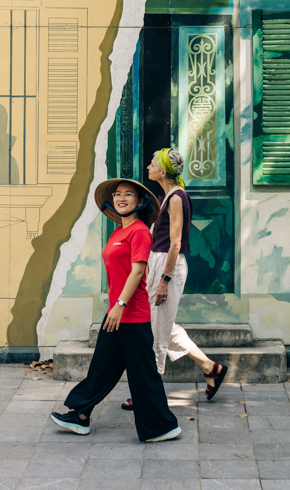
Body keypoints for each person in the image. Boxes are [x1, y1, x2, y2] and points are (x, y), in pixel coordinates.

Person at [49, 178, 182, 442]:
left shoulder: (139, 231)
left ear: (140, 201)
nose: (121, 198)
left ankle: (162, 427)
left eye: (128, 194)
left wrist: (120, 305)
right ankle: (81, 415)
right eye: (118, 194)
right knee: (103, 366)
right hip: (116, 313)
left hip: (132, 315)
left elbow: (138, 272)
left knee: (143, 374)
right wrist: (115, 307)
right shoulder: (117, 232)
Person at [122, 148, 228, 411]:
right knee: (161, 324)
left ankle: (148, 394)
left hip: (167, 266)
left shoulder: (177, 197)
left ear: (163, 171)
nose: (148, 166)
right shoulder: (167, 196)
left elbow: (176, 243)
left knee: (156, 331)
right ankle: (210, 367)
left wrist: (164, 280)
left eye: (152, 163)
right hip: (158, 263)